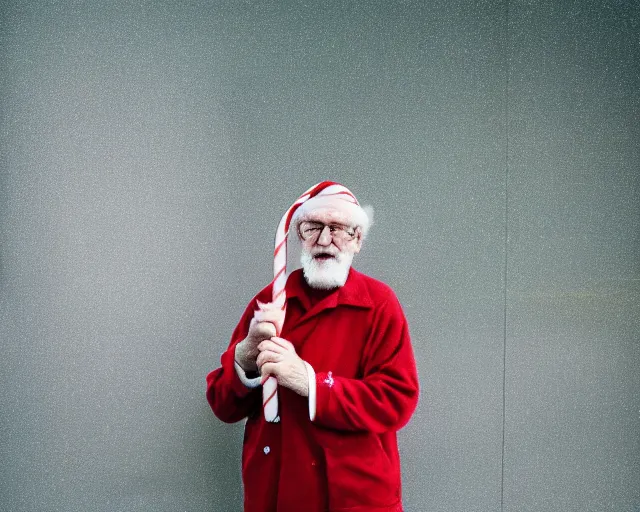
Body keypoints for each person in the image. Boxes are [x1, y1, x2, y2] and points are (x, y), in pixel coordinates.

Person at [206, 182, 419, 512]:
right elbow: (223, 404)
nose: (323, 240)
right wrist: (244, 358)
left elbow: (396, 399)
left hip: (352, 499)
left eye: (337, 229)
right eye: (313, 227)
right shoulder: (269, 302)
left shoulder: (379, 305)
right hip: (275, 495)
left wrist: (311, 383)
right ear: (299, 236)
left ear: (357, 239)